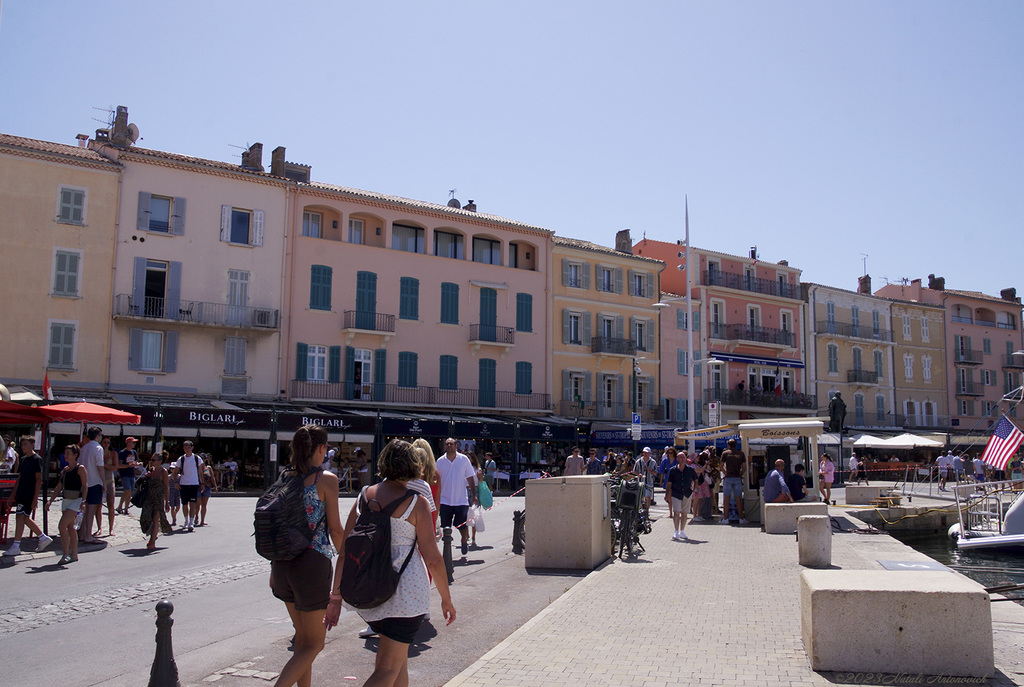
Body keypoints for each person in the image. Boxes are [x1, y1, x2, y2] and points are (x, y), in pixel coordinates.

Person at [325, 439, 456, 687]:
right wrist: (446, 598)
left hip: (371, 591)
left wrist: (335, 597)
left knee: (397, 665)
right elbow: (433, 559)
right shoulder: (417, 503)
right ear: (413, 466)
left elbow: (344, 550)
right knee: (387, 669)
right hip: (405, 595)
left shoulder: (365, 496)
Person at [265, 425, 344, 687]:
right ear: (321, 448)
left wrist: (273, 571)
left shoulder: (284, 478)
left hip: (282, 565)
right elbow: (335, 529)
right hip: (312, 566)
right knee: (314, 644)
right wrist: (349, 559)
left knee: (302, 639)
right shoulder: (326, 480)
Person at [3, 436, 52, 556]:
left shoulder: (36, 459)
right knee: (21, 517)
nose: (23, 447)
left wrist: (35, 498)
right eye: (22, 444)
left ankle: (20, 543)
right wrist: (12, 495)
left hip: (29, 493)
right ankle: (37, 538)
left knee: (22, 516)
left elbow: (38, 479)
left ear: (32, 444)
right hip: (21, 492)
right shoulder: (24, 459)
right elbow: (20, 478)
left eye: (25, 444)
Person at [435, 437, 478, 556]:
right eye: (447, 444)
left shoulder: (464, 459)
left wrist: (474, 495)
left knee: (462, 525)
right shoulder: (439, 461)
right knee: (446, 527)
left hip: (461, 500)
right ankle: (447, 550)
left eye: (451, 444)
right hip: (445, 500)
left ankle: (464, 539)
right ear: (444, 446)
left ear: (456, 446)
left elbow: (470, 478)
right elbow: (436, 480)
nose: (449, 446)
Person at [46, 444, 87, 565]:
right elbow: (59, 487)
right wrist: (50, 501)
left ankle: (65, 554)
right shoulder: (65, 470)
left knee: (62, 526)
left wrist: (83, 501)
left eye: (68, 453)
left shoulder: (80, 469)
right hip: (66, 500)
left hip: (76, 501)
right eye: (65, 453)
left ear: (75, 455)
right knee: (70, 528)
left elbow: (85, 486)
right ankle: (74, 554)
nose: (66, 455)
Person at [663, 446, 701, 540]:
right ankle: (676, 531)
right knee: (676, 512)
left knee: (684, 513)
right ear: (677, 459)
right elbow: (669, 483)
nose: (682, 459)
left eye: (684, 457)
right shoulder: (673, 470)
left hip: (687, 493)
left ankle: (682, 531)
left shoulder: (690, 469)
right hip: (676, 493)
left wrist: (694, 489)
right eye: (680, 457)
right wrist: (667, 494)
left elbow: (696, 479)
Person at [140, 451, 172, 550]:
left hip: (158, 498)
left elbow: (167, 487)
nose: (152, 461)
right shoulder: (151, 470)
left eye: (153, 460)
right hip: (149, 498)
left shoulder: (164, 472)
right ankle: (153, 534)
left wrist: (167, 502)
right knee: (145, 517)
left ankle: (152, 541)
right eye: (151, 459)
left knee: (155, 519)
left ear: (160, 461)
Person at [170, 441, 205, 532]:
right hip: (184, 483)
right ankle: (186, 520)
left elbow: (201, 471)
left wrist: (202, 483)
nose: (187, 449)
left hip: (194, 483)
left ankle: (191, 522)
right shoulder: (181, 459)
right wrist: (175, 482)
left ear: (192, 448)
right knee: (184, 503)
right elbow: (176, 471)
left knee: (192, 504)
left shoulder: (197, 458)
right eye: (185, 448)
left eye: (188, 447)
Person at [79, 427, 106, 545]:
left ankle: (82, 533)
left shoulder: (84, 448)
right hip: (95, 481)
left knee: (84, 509)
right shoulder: (98, 448)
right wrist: (104, 481)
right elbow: (100, 467)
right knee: (91, 509)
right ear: (97, 436)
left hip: (84, 482)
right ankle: (88, 535)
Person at [411, 438, 441, 536]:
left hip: (410, 515)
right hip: (429, 515)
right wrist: (434, 520)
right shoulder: (435, 475)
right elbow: (437, 500)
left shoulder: (408, 474)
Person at [719, 439, 747, 524]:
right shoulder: (741, 454)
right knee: (738, 498)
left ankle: (726, 518)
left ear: (728, 445)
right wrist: (741, 474)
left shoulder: (725, 453)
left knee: (726, 498)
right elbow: (744, 467)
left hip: (728, 477)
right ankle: (741, 518)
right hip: (737, 477)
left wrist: (725, 473)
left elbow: (721, 466)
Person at [116, 437, 140, 514]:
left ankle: (126, 508)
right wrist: (128, 465)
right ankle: (120, 506)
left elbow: (135, 462)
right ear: (128, 443)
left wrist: (137, 465)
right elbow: (119, 465)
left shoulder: (134, 452)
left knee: (130, 492)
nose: (134, 444)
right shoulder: (122, 452)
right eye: (133, 442)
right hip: (124, 473)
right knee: (127, 490)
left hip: (131, 474)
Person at [100, 435, 118, 536]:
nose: (106, 444)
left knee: (111, 505)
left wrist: (104, 465)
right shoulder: (98, 452)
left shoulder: (113, 453)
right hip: (99, 480)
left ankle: (111, 528)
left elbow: (115, 468)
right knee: (98, 507)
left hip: (109, 480)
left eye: (108, 442)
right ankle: (99, 528)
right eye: (104, 442)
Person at [197, 455, 218, 526]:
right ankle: (196, 517)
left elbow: (212, 478)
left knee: (204, 504)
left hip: (207, 487)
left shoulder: (208, 468)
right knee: (197, 504)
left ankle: (202, 520)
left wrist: (215, 486)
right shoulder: (196, 468)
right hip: (198, 487)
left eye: (203, 459)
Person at [691, 452, 712, 520]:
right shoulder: (693, 466)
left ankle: (698, 514)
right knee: (696, 499)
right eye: (697, 457)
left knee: (700, 499)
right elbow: (701, 470)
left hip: (701, 483)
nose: (698, 458)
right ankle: (694, 515)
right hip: (697, 484)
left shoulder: (697, 465)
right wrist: (706, 464)